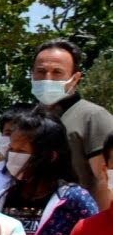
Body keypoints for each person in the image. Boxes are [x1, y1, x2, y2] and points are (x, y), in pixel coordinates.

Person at [32, 38, 113, 210]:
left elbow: (104, 179)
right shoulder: (29, 118)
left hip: (77, 222)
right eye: (41, 71)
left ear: (75, 78)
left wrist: (101, 227)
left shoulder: (93, 116)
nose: (48, 78)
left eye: (57, 72)